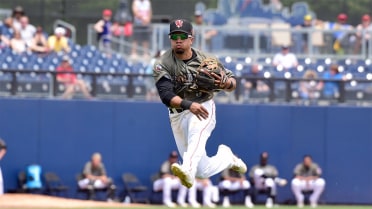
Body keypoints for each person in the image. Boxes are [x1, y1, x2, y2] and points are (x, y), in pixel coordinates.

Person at [152, 19, 247, 190]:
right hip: (178, 113)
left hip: (203, 106)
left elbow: (233, 83)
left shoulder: (207, 60)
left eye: (182, 36)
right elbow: (165, 95)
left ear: (191, 39)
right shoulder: (163, 63)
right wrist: (188, 105)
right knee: (201, 171)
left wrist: (227, 83)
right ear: (170, 39)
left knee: (196, 136)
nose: (178, 40)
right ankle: (226, 158)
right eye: (174, 36)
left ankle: (187, 169)